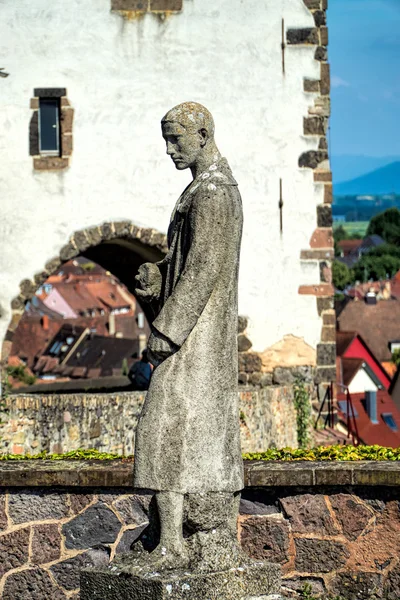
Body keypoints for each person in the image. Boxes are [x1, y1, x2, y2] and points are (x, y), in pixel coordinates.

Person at [134, 102, 243, 569]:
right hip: (191, 336)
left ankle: (175, 544)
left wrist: (165, 331)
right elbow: (187, 264)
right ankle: (170, 539)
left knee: (162, 430)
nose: (169, 150)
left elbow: (202, 270)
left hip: (195, 339)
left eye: (176, 139)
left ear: (203, 134)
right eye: (166, 140)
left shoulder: (214, 193)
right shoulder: (201, 190)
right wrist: (159, 276)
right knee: (170, 433)